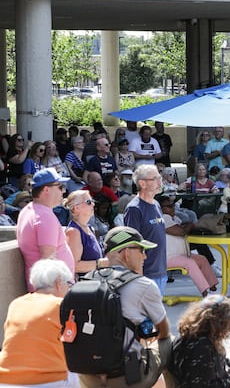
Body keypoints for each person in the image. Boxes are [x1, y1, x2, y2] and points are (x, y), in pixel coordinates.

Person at [78, 226, 172, 388]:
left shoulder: (84, 282)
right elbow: (163, 331)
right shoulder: (143, 285)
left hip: (87, 375)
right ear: (126, 252)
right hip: (126, 376)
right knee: (171, 342)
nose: (145, 256)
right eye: (141, 250)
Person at [0, 259, 78, 387]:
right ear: (59, 283)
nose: (70, 290)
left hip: (6, 380)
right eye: (70, 284)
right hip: (48, 380)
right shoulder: (61, 306)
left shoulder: (16, 303)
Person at [170, 295, 230, 388]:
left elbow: (223, 362)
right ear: (220, 323)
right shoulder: (201, 346)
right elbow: (202, 385)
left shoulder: (202, 337)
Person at [16, 168, 74, 291]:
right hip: (52, 292)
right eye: (59, 186)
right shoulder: (44, 216)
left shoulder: (28, 210)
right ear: (46, 189)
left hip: (43, 290)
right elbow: (48, 261)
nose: (63, 191)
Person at [158, 195, 219, 297]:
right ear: (160, 208)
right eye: (168, 206)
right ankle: (205, 292)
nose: (172, 208)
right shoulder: (162, 218)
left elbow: (182, 226)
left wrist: (187, 226)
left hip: (179, 254)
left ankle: (213, 288)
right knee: (190, 263)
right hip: (167, 257)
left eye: (173, 205)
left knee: (202, 259)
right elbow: (181, 231)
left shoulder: (174, 218)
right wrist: (189, 226)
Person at [124, 165, 168, 293]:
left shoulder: (156, 204)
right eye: (155, 179)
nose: (160, 182)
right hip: (146, 274)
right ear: (142, 183)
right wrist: (139, 275)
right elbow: (132, 245)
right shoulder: (134, 209)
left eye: (159, 178)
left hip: (160, 272)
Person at [64, 190, 109, 276]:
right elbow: (75, 266)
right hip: (84, 286)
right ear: (77, 208)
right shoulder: (73, 232)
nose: (93, 204)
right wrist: (100, 263)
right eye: (88, 202)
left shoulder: (89, 228)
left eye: (92, 201)